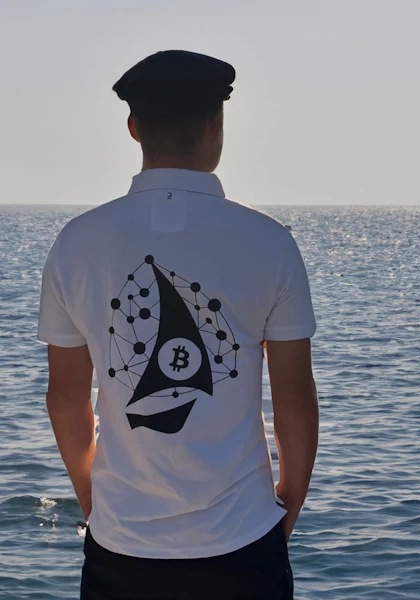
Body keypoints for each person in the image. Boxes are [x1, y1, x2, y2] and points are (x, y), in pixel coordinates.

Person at [38, 50, 319, 600]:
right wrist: (288, 504)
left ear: (133, 126)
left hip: (120, 548)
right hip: (243, 544)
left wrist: (93, 499)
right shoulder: (269, 243)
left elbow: (66, 398)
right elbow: (295, 400)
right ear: (217, 124)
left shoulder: (75, 244)